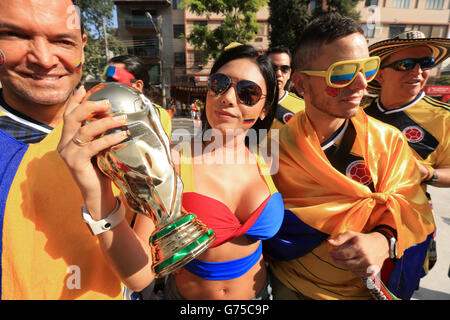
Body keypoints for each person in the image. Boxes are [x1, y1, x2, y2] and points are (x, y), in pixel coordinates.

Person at [57, 44, 284, 300]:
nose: (228, 98)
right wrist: (97, 194)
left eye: (248, 93)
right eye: (220, 84)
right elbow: (140, 275)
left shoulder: (267, 158)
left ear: (265, 108)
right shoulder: (171, 161)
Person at [263, 13, 436, 300]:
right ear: (302, 84)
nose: (360, 85)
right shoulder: (275, 150)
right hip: (291, 287)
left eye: (367, 69)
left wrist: (384, 240)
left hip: (363, 292)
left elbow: (412, 205)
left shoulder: (388, 140)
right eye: (342, 73)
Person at [0, 0, 127, 299]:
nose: (44, 59)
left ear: (82, 46)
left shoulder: (121, 127)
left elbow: (145, 268)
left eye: (62, 40)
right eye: (17, 35)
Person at [363, 31, 450, 274]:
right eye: (405, 65)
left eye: (426, 63)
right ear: (380, 73)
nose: (418, 72)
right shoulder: (358, 113)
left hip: (408, 227)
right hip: (357, 224)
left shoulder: (444, 117)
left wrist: (425, 173)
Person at [105, 54, 172, 138]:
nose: (104, 85)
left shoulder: (157, 115)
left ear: (138, 86)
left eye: (112, 81)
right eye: (105, 80)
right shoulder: (97, 113)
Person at [267, 46, 305, 130]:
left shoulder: (303, 108)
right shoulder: (248, 103)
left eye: (284, 68)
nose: (279, 73)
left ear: (289, 73)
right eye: (273, 68)